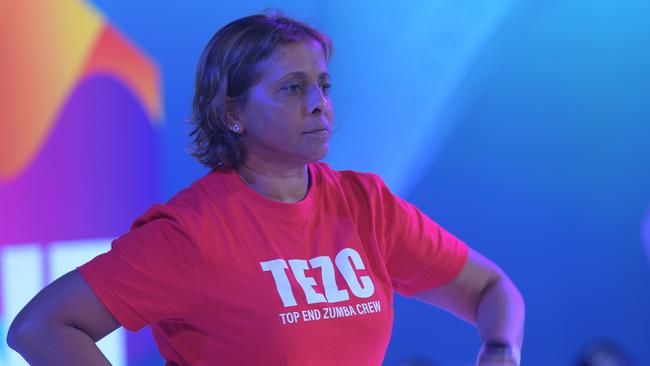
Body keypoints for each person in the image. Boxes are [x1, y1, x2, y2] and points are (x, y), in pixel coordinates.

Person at [7, 11, 525, 366]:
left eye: (324, 85)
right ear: (233, 114)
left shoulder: (367, 206)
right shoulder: (192, 233)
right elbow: (41, 327)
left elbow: (490, 290)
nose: (320, 103)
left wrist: (499, 347)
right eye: (293, 88)